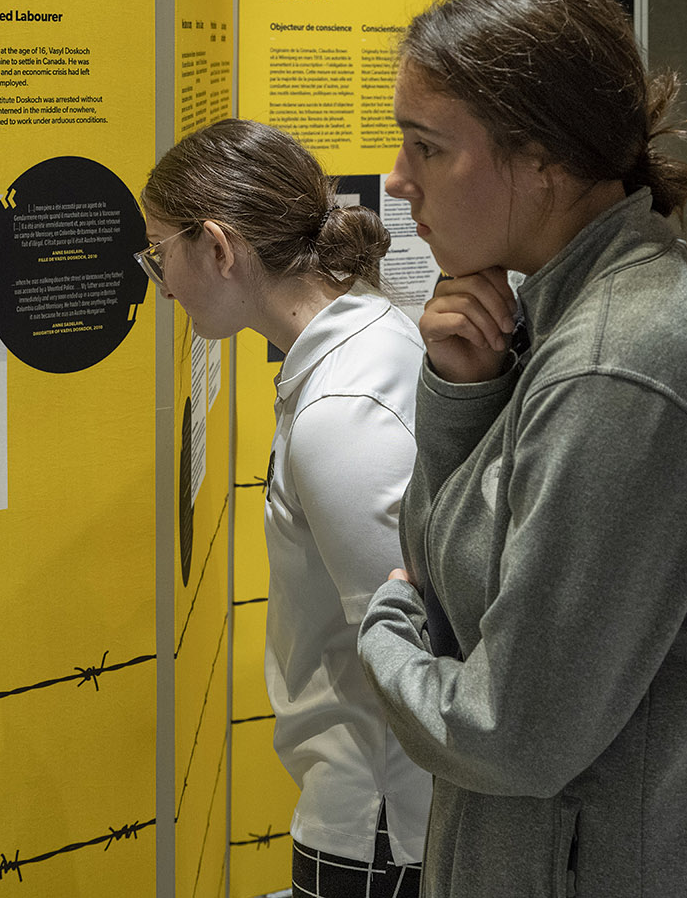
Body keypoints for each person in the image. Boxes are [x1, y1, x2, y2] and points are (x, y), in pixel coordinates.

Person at [356, 0, 687, 897]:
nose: (397, 182)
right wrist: (462, 393)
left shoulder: (619, 367)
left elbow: (510, 734)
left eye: (427, 148)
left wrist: (384, 632)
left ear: (545, 163)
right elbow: (454, 580)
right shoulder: (562, 318)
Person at [139, 119, 431, 898]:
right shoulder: (368, 334)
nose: (160, 282)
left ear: (218, 248)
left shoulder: (342, 407)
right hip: (383, 810)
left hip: (376, 819)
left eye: (159, 253)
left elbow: (410, 657)